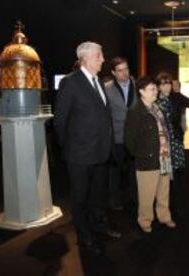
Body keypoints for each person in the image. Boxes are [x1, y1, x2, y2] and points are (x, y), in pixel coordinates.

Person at [54, 41, 121, 255]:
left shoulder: (99, 81)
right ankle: (85, 237)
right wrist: (68, 150)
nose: (103, 59)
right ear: (85, 58)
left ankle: (99, 226)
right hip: (79, 155)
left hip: (101, 152)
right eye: (99, 56)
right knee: (80, 198)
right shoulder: (70, 82)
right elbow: (60, 121)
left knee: (98, 195)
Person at [125, 76, 176, 233]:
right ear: (141, 92)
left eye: (155, 88)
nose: (156, 91)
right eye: (152, 89)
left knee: (163, 191)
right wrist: (142, 155)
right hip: (147, 160)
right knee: (147, 195)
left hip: (164, 158)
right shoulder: (135, 111)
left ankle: (164, 216)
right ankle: (145, 221)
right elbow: (129, 140)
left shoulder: (156, 108)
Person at [155, 72, 189, 219]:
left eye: (168, 83)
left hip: (175, 140)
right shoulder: (154, 100)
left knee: (176, 176)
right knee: (164, 175)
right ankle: (163, 207)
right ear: (158, 86)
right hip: (161, 143)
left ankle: (176, 207)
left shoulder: (177, 97)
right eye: (163, 83)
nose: (166, 86)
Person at [104, 57, 137, 212]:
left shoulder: (138, 86)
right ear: (113, 73)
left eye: (126, 68)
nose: (124, 73)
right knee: (115, 172)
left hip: (135, 137)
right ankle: (115, 201)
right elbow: (105, 116)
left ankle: (133, 198)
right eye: (120, 70)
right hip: (116, 138)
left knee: (134, 171)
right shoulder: (107, 88)